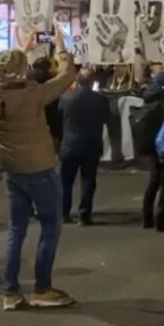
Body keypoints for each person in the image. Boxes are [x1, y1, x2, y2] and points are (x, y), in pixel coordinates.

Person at [0, 30, 77, 311]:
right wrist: (61, 47)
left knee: (16, 229)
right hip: (40, 167)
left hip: (12, 169)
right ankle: (42, 288)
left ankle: (11, 291)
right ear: (22, 69)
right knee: (50, 227)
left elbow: (2, 72)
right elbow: (67, 76)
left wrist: (22, 48)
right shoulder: (33, 94)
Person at [59, 69, 110, 226]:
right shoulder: (100, 99)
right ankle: (84, 214)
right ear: (92, 81)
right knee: (88, 179)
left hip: (70, 143)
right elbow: (107, 118)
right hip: (91, 143)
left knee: (66, 180)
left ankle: (64, 213)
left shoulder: (66, 98)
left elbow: (59, 114)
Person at [138, 71, 164, 230]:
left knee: (153, 181)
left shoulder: (148, 97)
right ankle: (161, 218)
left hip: (151, 145)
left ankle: (146, 217)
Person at [29, 56, 64, 153]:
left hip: (32, 107)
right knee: (55, 129)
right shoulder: (47, 76)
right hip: (49, 107)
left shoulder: (28, 75)